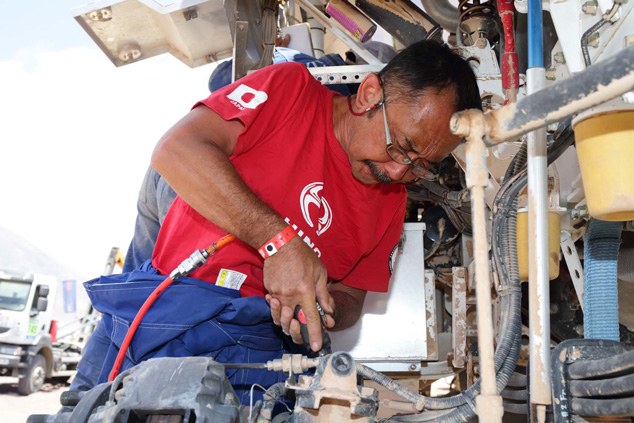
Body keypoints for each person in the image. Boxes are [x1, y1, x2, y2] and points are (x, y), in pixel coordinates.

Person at [72, 39, 481, 404]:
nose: (398, 172)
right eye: (401, 147)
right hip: (169, 312)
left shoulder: (390, 202)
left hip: (262, 353)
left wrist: (323, 308)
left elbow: (353, 296)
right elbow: (176, 149)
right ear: (369, 95)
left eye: (421, 166)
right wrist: (280, 242)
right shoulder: (290, 91)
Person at [122, 42, 399, 274]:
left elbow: (220, 78)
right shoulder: (325, 86)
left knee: (133, 289)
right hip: (206, 174)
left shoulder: (293, 61)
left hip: (186, 164)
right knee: (182, 296)